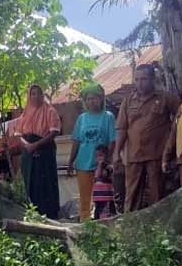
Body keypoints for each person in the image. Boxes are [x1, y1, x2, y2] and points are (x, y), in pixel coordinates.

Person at [115, 62, 180, 210]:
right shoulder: (128, 101)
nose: (140, 83)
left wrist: (172, 136)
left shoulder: (165, 98)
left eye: (143, 79)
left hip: (156, 155)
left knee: (157, 194)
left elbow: (181, 114)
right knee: (131, 195)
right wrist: (116, 153)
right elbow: (122, 128)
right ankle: (130, 225)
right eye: (136, 79)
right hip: (134, 155)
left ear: (152, 79)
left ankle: (157, 227)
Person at [67, 83, 117, 222]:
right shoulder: (81, 118)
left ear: (101, 99)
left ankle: (103, 226)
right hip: (83, 163)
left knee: (103, 198)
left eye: (94, 98)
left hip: (101, 166)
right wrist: (71, 161)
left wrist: (107, 161)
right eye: (88, 99)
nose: (91, 101)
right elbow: (76, 141)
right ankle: (86, 228)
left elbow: (112, 141)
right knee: (85, 199)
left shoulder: (108, 117)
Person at [13, 84, 62, 219]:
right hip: (28, 154)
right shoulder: (25, 114)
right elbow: (18, 134)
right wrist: (27, 146)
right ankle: (31, 216)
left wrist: (36, 145)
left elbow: (54, 132)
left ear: (42, 95)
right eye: (32, 93)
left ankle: (50, 215)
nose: (35, 96)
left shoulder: (50, 111)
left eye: (38, 93)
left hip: (44, 151)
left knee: (45, 184)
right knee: (29, 182)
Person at [91, 149, 117, 220]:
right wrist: (99, 165)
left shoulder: (109, 167)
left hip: (106, 196)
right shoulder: (96, 167)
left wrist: (101, 165)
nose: (99, 158)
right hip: (98, 196)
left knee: (106, 212)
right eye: (97, 156)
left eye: (101, 155)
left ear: (106, 156)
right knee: (98, 211)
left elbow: (104, 175)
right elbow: (96, 176)